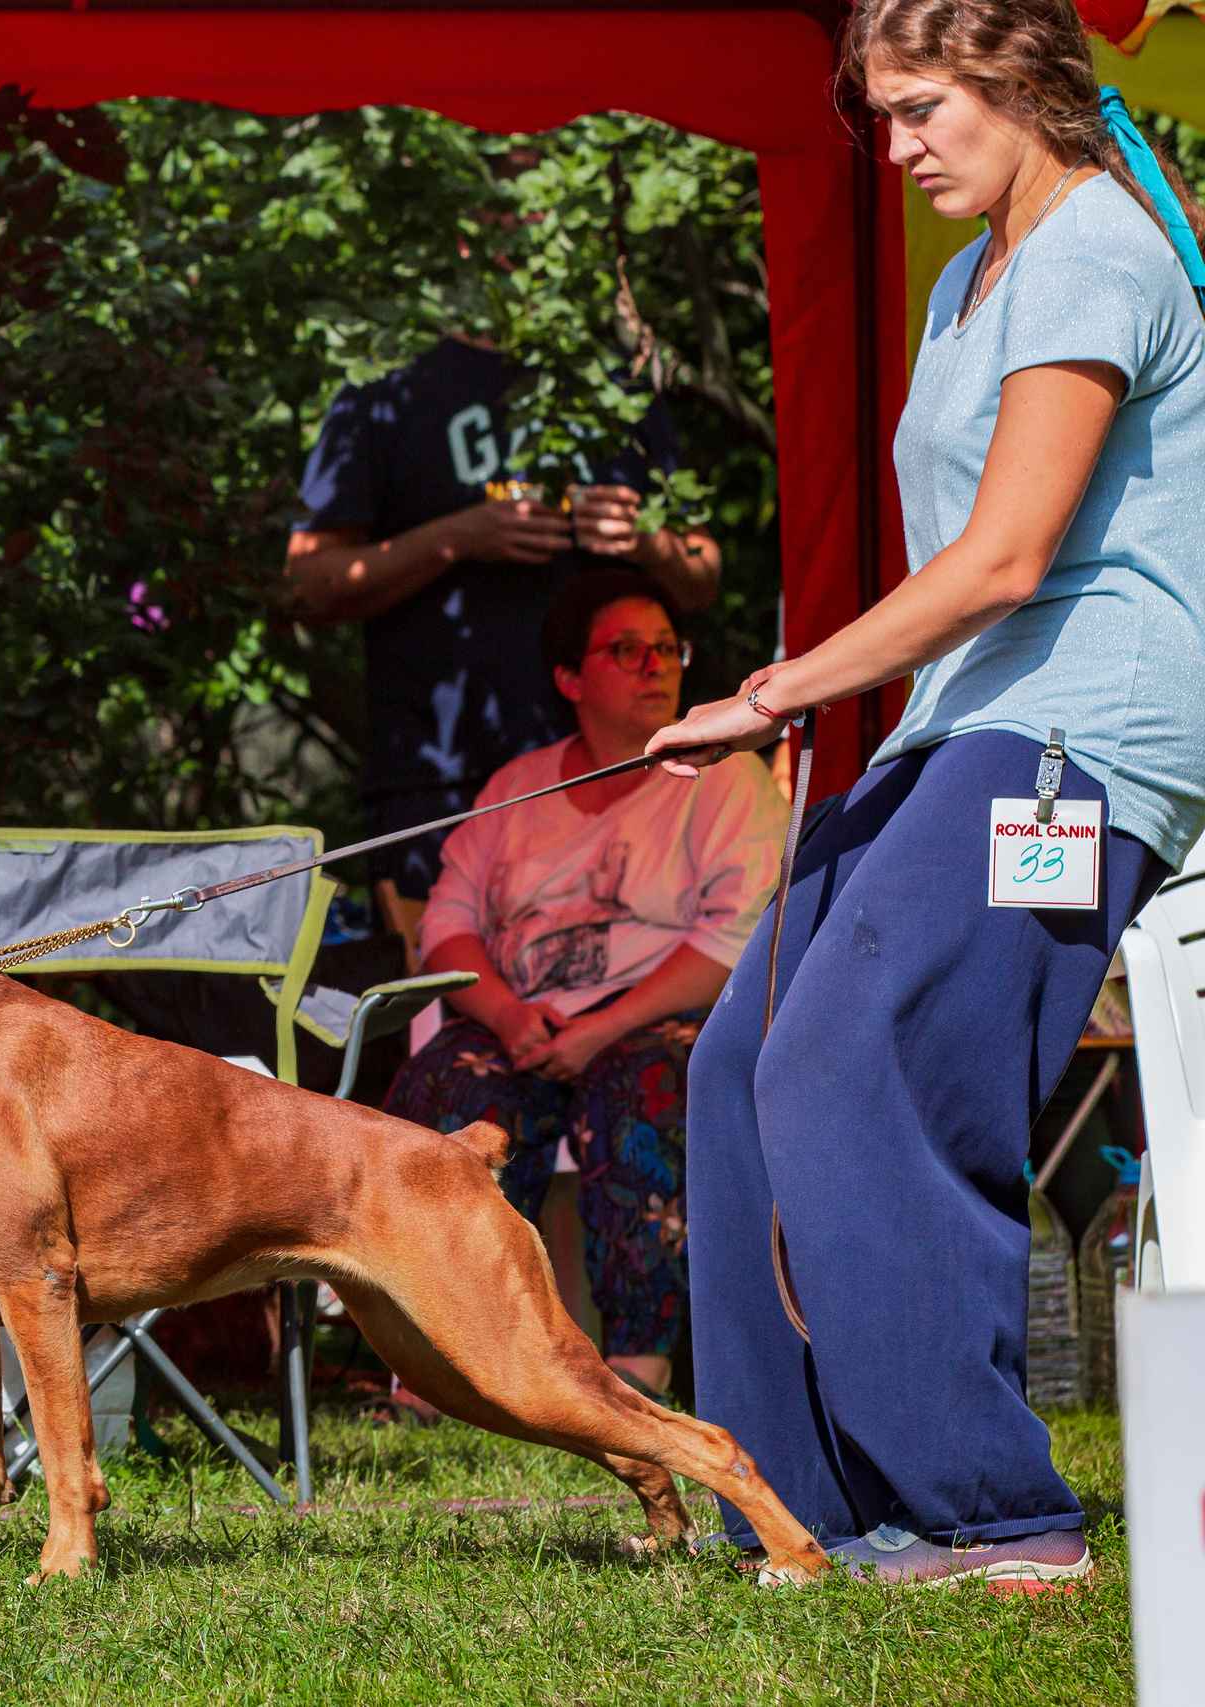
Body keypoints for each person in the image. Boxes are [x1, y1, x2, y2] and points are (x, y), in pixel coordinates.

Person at [645, 0, 1204, 1589]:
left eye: (918, 110)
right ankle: (805, 1507)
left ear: (1020, 81)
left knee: (853, 1058)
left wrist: (770, 692)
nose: (893, 150)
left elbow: (1011, 557)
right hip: (959, 729)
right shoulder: (975, 276)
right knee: (742, 1062)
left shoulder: (1099, 253)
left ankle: (990, 1513)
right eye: (879, 116)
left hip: (1078, 737)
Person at [384, 571, 784, 1398]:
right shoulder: (515, 790)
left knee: (644, 1085)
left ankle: (634, 1372)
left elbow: (740, 931)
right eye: (627, 649)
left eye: (667, 647)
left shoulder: (725, 779)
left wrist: (602, 1028)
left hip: (656, 1015)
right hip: (518, 1019)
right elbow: (446, 920)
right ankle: (437, 1370)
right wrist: (503, 1012)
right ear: (570, 678)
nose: (655, 666)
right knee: (443, 1089)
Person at [277, 334, 722, 964]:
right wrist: (458, 538)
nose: (520, 228)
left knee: (602, 1000)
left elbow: (701, 575)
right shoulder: (385, 381)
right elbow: (303, 586)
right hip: (441, 774)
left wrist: (647, 540)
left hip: (610, 768)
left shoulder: (608, 379)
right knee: (448, 1003)